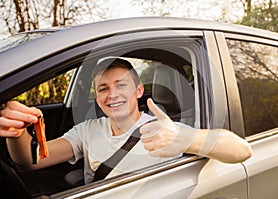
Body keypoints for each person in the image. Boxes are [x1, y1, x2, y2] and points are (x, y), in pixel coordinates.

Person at [0, 58, 252, 185]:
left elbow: (242, 150)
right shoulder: (86, 131)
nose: (112, 95)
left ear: (139, 91)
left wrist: (187, 138)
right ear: (97, 98)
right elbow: (31, 162)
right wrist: (16, 131)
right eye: (103, 88)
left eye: (121, 85)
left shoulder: (164, 129)